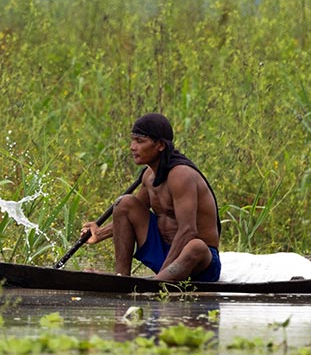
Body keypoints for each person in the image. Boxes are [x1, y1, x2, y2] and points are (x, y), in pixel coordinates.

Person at [80, 113, 221, 282]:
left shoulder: (181, 175)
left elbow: (188, 230)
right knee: (124, 203)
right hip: (164, 255)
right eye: (132, 140)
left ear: (160, 145)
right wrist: (99, 233)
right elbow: (129, 213)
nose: (133, 147)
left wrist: (161, 275)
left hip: (198, 263)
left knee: (195, 246)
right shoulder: (149, 175)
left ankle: (158, 282)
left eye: (140, 141)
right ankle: (121, 278)